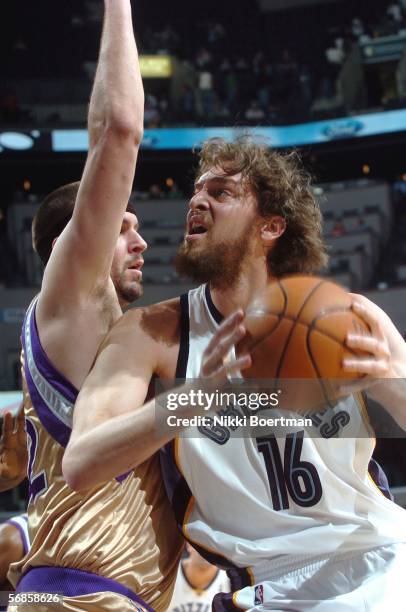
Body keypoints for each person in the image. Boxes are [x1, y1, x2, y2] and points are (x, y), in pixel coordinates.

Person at [64, 137, 406, 611]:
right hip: (266, 584)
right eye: (197, 191)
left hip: (381, 561)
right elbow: (81, 462)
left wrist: (390, 383)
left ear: (271, 226)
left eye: (221, 192)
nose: (197, 201)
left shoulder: (349, 318)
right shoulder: (151, 332)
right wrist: (192, 398)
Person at [3, 1, 185, 610]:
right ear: (71, 245)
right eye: (121, 225)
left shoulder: (99, 341)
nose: (140, 241)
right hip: (81, 596)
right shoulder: (74, 295)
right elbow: (118, 130)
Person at [169, 543, 230, 612]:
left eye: (212, 545)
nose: (208, 550)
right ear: (189, 545)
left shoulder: (230, 581)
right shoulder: (169, 573)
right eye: (203, 543)